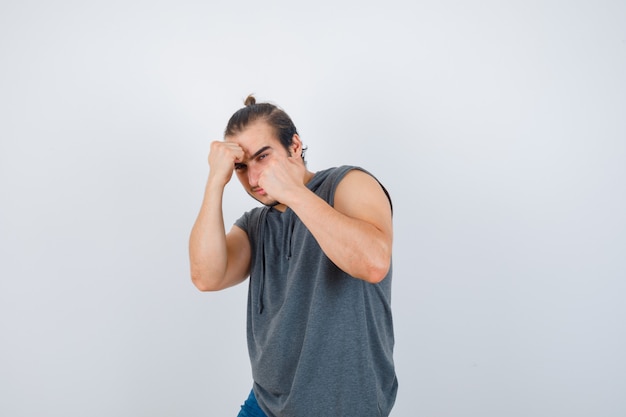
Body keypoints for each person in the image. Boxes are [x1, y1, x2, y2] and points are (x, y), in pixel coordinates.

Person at [189, 95, 397, 417]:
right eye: (241, 167)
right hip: (264, 404)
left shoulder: (347, 184)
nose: (254, 179)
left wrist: (293, 193)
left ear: (295, 145)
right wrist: (215, 181)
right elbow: (206, 277)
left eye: (263, 157)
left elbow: (373, 263)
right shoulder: (256, 225)